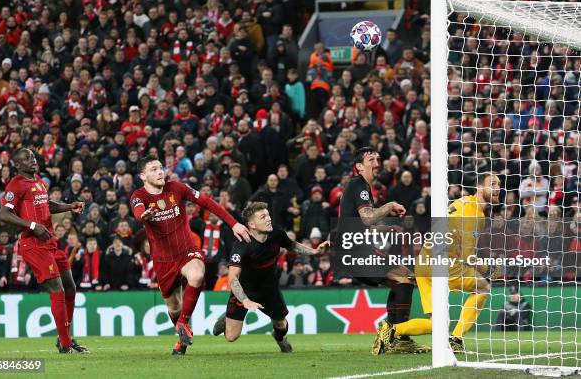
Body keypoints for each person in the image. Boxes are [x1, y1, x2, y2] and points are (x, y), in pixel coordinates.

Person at [130, 155, 250, 356]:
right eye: (153, 169)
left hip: (186, 250)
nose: (160, 172)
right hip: (162, 260)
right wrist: (143, 216)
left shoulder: (177, 188)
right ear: (143, 175)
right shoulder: (138, 196)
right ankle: (182, 338)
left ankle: (184, 323)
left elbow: (207, 202)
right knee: (174, 307)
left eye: (160, 168)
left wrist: (233, 223)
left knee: (196, 275)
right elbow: (137, 211)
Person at [377, 173, 502, 354]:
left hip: (424, 262)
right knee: (483, 287)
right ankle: (456, 339)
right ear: (480, 188)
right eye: (492, 184)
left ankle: (391, 330)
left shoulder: (463, 201)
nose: (498, 188)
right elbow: (468, 257)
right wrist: (490, 269)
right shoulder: (474, 214)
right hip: (443, 263)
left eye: (499, 184)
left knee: (438, 324)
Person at [336, 146, 428, 354]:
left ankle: (393, 337)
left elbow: (362, 222)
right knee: (404, 278)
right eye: (371, 160)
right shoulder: (358, 184)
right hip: (355, 252)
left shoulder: (361, 187)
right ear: (359, 166)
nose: (377, 163)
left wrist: (388, 227)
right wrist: (389, 205)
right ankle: (396, 336)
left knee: (402, 280)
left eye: (378, 159)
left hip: (354, 250)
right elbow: (367, 217)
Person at [0, 148, 88, 353]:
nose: (32, 160)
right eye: (26, 158)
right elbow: (3, 214)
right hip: (34, 244)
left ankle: (65, 337)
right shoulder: (15, 184)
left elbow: (46, 205)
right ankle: (66, 346)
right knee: (57, 289)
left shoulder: (37, 180)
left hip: (50, 241)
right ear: (18, 165)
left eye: (33, 157)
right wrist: (32, 226)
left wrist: (69, 206)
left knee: (70, 287)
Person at [211, 202, 328, 352]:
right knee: (231, 337)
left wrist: (314, 252)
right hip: (244, 292)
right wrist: (245, 300)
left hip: (269, 290)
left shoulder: (276, 234)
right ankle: (227, 318)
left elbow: (292, 245)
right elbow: (233, 278)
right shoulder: (241, 245)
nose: (268, 219)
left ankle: (279, 338)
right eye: (263, 216)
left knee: (281, 325)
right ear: (252, 224)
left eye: (268, 215)